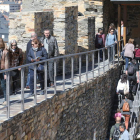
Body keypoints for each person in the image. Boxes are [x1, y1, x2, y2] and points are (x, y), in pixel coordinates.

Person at [0, 38, 9, 105]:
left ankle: (6, 100)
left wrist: (6, 73)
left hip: (2, 70)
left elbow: (6, 63)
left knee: (3, 85)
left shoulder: (5, 52)